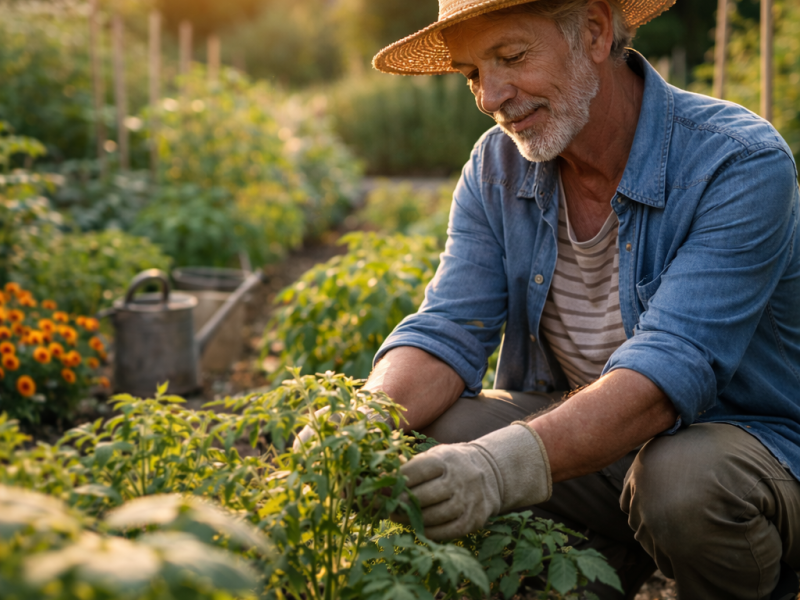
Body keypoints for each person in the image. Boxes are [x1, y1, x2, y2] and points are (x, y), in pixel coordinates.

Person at [360, 0, 800, 599]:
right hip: (597, 453)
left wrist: (496, 470)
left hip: (747, 452)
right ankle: (599, 567)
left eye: (511, 57)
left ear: (594, 31)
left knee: (681, 480)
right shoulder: (497, 167)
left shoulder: (736, 162)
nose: (490, 96)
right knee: (437, 429)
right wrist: (355, 425)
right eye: (471, 74)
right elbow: (446, 330)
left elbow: (671, 368)